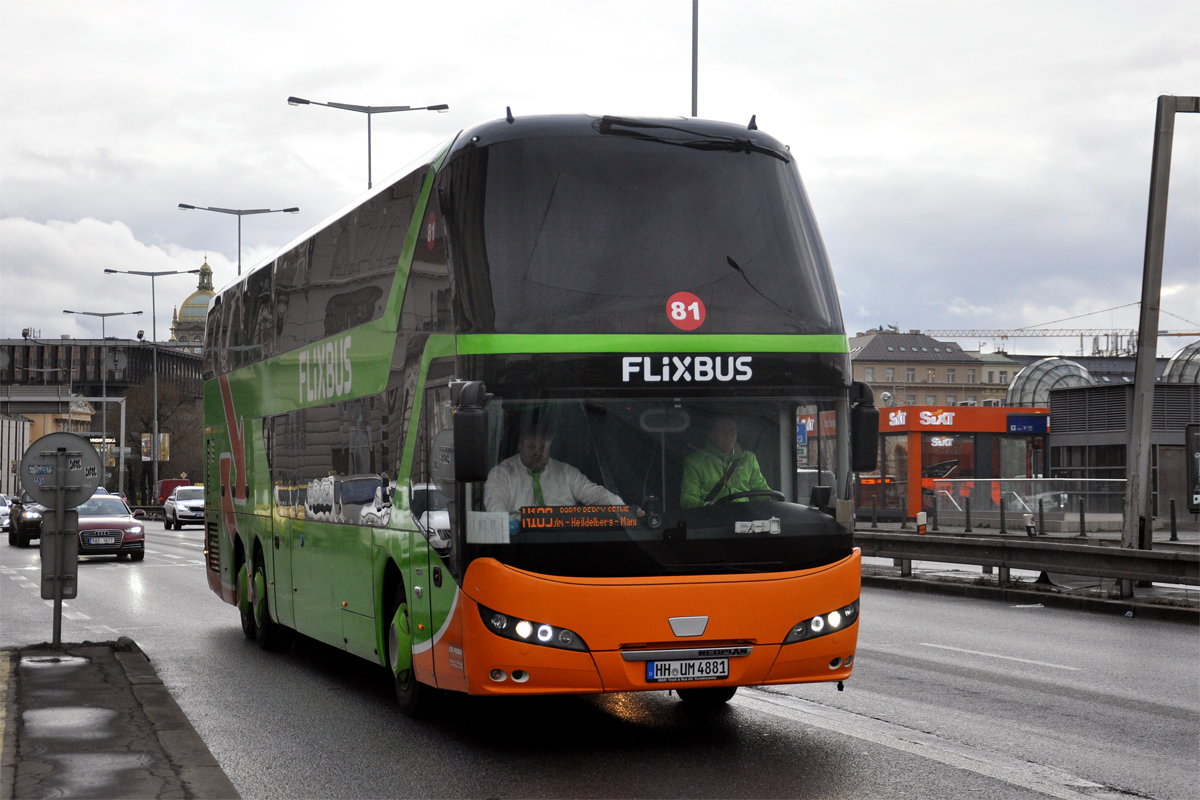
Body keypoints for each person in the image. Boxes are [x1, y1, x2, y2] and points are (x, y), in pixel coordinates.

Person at [484, 427, 627, 513]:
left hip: (563, 541)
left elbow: (595, 494)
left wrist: (624, 509)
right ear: (520, 447)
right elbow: (495, 508)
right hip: (519, 544)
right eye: (532, 447)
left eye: (543, 447)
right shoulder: (502, 473)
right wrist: (508, 524)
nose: (538, 452)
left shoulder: (565, 472)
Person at [681, 415, 772, 508]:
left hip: (745, 516)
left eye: (732, 430)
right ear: (711, 434)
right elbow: (687, 499)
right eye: (723, 430)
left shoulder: (749, 458)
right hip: (714, 516)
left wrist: (772, 501)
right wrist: (707, 506)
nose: (728, 434)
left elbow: (761, 490)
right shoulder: (695, 461)